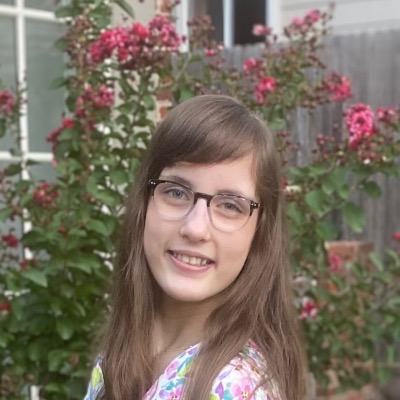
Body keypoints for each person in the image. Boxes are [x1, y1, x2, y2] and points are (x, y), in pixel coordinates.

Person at [84, 95, 307, 400]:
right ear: (144, 203)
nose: (195, 228)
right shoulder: (124, 350)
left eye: (230, 205)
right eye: (176, 192)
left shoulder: (233, 388)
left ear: (260, 232)